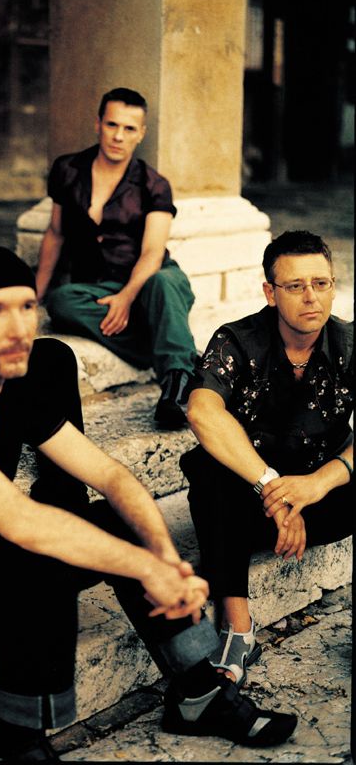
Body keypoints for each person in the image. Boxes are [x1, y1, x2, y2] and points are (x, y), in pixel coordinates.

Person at [0, 243, 297, 761]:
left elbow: (111, 476)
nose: (19, 327)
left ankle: (201, 693)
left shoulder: (14, 383)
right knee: (39, 550)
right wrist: (148, 570)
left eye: (26, 307)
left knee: (109, 521)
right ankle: (19, 745)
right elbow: (23, 522)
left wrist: (165, 560)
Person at [182, 230, 353, 686]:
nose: (311, 297)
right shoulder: (237, 340)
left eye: (320, 283)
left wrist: (317, 483)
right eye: (295, 286)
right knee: (209, 471)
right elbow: (201, 412)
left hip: (323, 500)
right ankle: (238, 629)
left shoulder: (350, 343)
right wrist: (273, 490)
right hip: (247, 502)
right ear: (270, 292)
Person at [35, 87, 197, 429]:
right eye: (112, 125)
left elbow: (153, 253)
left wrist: (126, 297)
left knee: (163, 282)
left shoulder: (154, 185)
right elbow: (56, 233)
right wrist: (35, 293)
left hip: (151, 279)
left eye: (129, 128)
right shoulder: (67, 169)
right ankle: (164, 345)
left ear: (141, 134)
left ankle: (178, 390)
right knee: (62, 302)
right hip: (99, 285)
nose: (118, 136)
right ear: (98, 124)